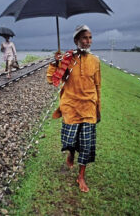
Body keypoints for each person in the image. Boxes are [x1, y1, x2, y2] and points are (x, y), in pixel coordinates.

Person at [46, 25, 101, 193]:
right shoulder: (67, 59)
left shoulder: (95, 60)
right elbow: (51, 79)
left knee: (86, 145)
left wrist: (98, 108)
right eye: (84, 38)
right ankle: (71, 152)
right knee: (69, 141)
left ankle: (81, 176)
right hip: (70, 106)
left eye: (90, 37)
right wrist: (56, 63)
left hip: (89, 107)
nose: (88, 41)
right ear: (76, 40)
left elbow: (98, 86)